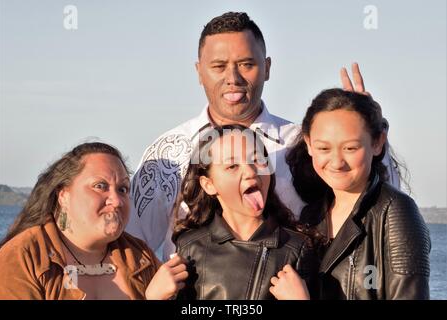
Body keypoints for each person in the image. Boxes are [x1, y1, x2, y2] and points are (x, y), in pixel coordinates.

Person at [126, 11, 399, 261]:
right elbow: (131, 247)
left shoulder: (303, 144)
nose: (233, 78)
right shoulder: (167, 154)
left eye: (246, 64)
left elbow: (375, 204)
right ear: (199, 72)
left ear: (267, 67)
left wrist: (367, 131)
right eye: (218, 66)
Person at [284, 88, 430, 299]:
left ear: (378, 142)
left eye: (350, 148)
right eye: (324, 148)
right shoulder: (310, 216)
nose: (336, 162)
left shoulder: (395, 213)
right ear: (308, 144)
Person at [0, 142, 188, 300]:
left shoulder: (140, 258)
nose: (116, 201)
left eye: (122, 189)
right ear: (63, 195)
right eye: (100, 186)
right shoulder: (23, 259)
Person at [172, 125, 315, 300]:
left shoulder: (296, 248)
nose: (250, 172)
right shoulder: (190, 247)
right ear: (209, 184)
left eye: (257, 160)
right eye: (232, 166)